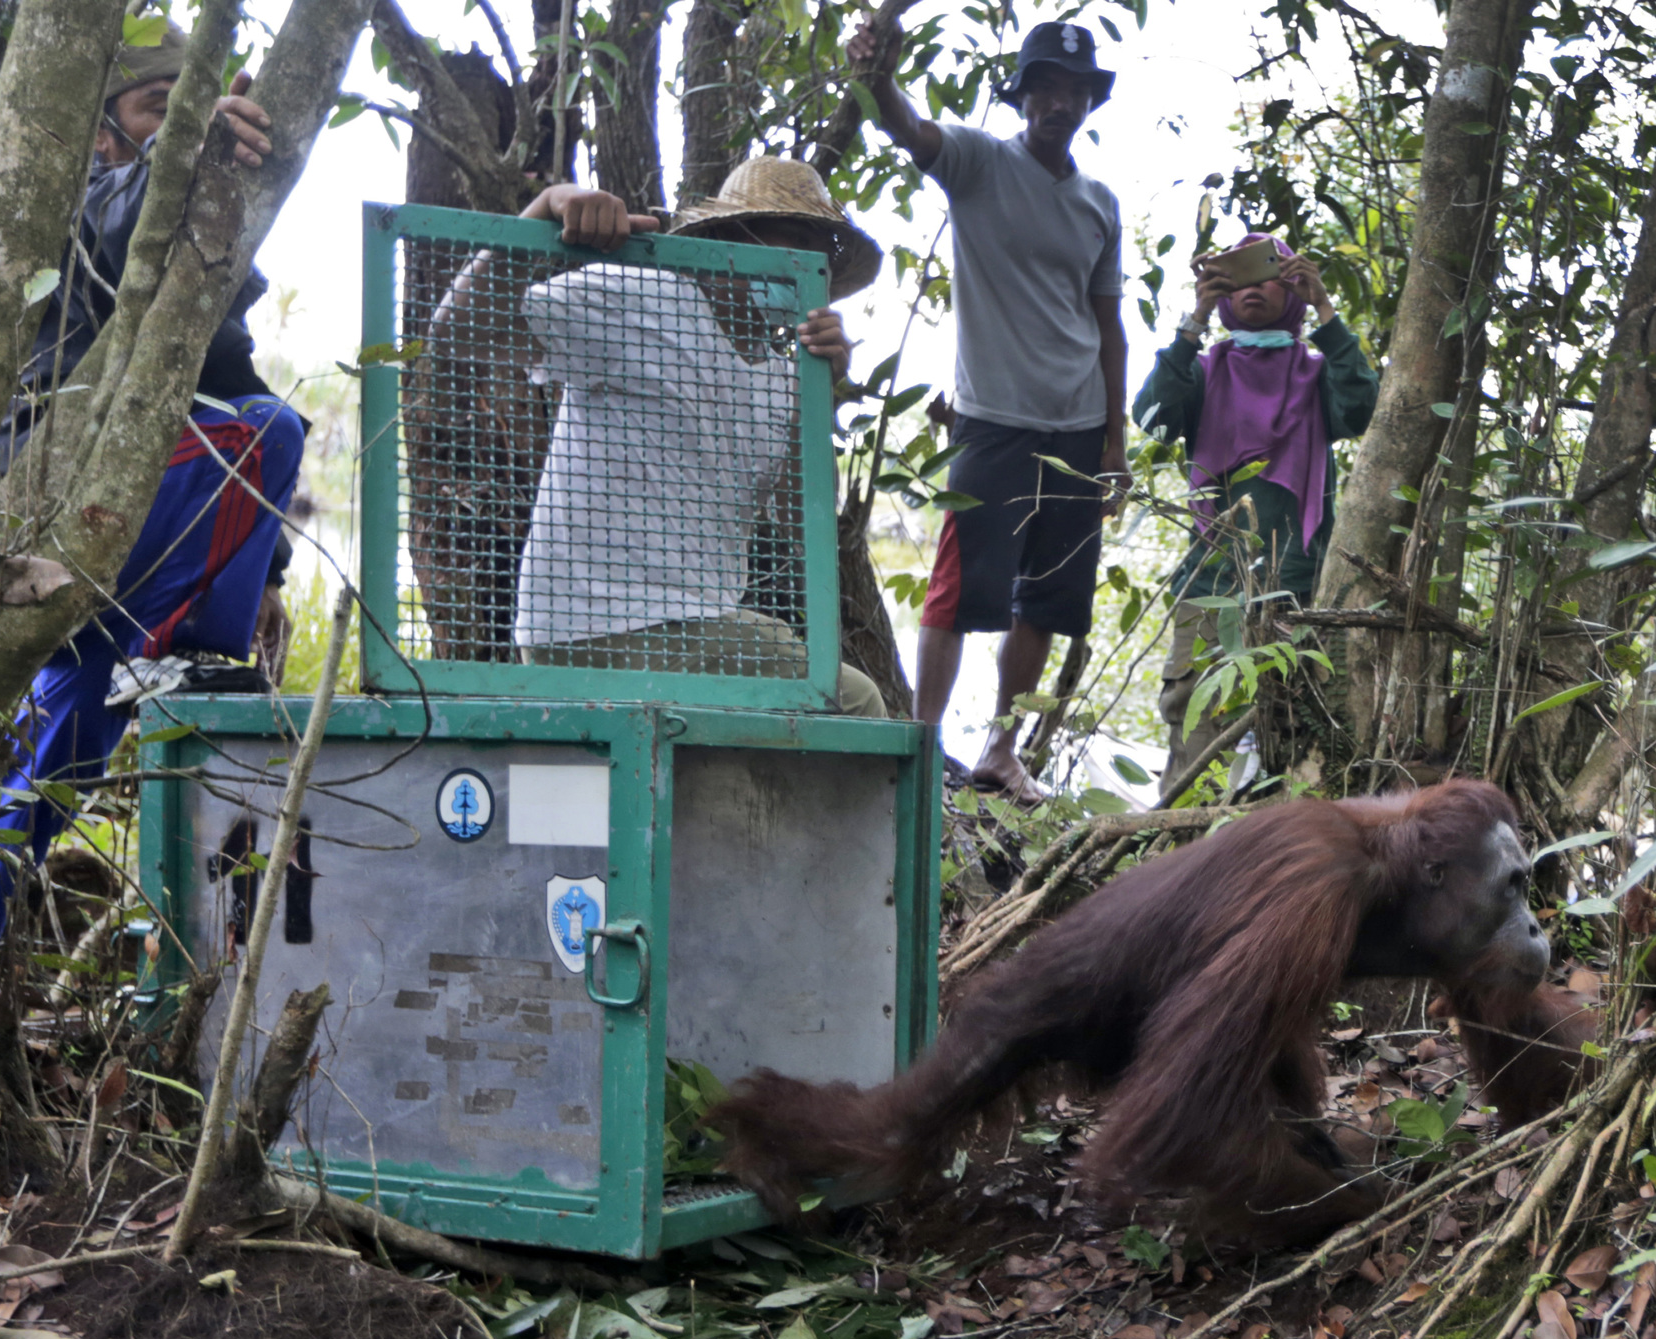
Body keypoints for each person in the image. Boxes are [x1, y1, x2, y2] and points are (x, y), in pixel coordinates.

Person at [0, 30, 306, 987]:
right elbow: (121, 216)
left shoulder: (184, 272)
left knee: (36, 792)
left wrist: (265, 573)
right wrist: (183, 151)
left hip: (103, 574)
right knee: (272, 428)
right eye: (156, 105)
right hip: (52, 513)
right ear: (102, 135)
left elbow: (222, 368)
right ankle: (175, 633)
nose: (173, 124)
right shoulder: (76, 215)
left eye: (183, 104)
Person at [433, 159, 888, 717]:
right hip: (595, 623)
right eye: (794, 239)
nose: (806, 261)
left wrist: (823, 391)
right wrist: (548, 204)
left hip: (695, 629)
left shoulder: (782, 372)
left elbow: (800, 523)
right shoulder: (640, 298)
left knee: (800, 688)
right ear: (733, 237)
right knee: (855, 703)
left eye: (818, 250)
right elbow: (458, 329)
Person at [847, 16, 1128, 803]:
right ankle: (922, 741)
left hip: (1077, 422)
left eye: (1075, 91)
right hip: (994, 417)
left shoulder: (1099, 203)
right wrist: (878, 76)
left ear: (1088, 103)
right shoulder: (977, 162)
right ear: (1023, 94)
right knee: (960, 589)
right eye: (1046, 87)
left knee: (1046, 595)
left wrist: (1116, 443)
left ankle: (1001, 750)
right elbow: (905, 125)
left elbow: (1110, 329)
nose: (1060, 103)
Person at [1135, 234, 1379, 788]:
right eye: (1238, 277)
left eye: (1270, 273)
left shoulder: (1316, 374)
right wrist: (1193, 320)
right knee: (1195, 732)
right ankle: (1184, 849)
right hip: (1210, 583)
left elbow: (1363, 410)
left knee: (1295, 735)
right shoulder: (1200, 371)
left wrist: (1325, 309)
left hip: (1299, 588)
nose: (1253, 287)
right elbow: (1151, 418)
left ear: (1292, 288)